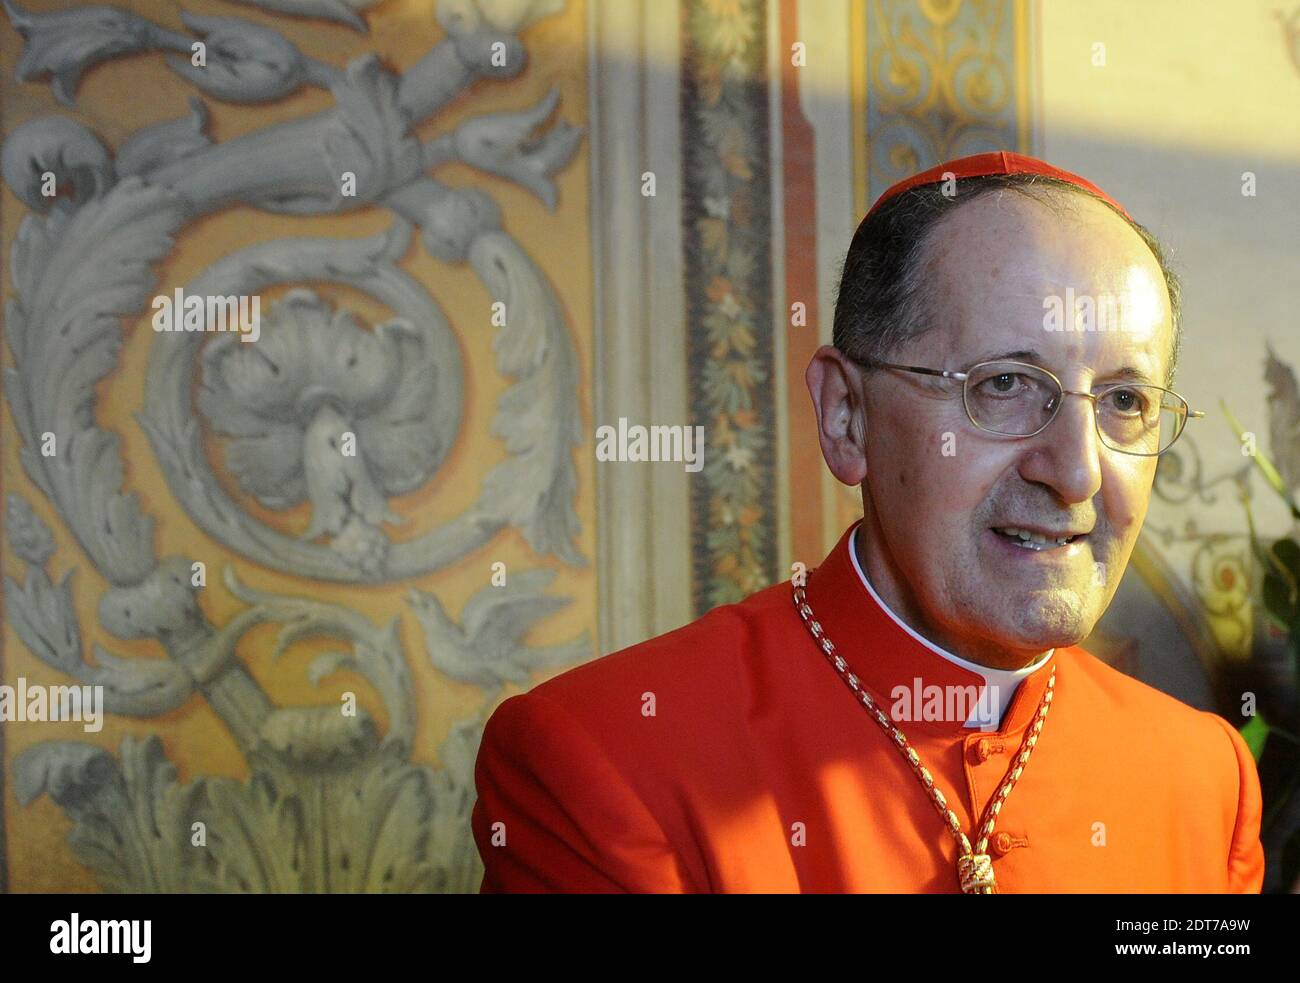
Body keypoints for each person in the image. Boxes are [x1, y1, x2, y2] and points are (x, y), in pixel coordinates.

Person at [470, 152, 1265, 893]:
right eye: (1005, 384)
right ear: (848, 417)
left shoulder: (1203, 782)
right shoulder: (605, 765)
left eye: (1126, 400)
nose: (1078, 471)